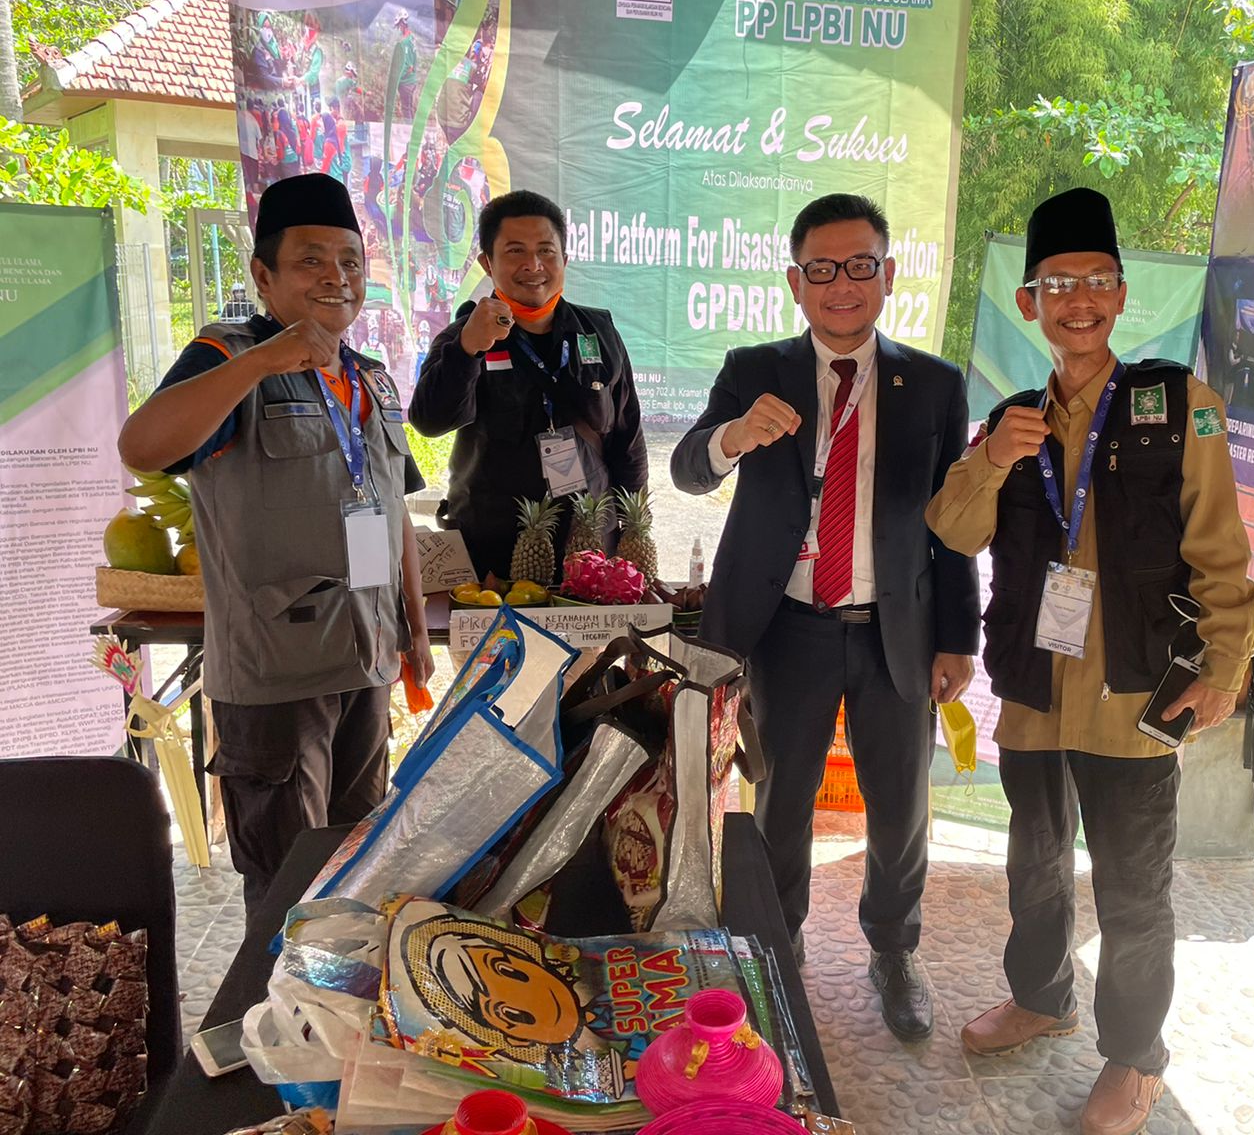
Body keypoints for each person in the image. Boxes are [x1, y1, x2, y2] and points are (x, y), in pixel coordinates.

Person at [926, 187, 1254, 1135]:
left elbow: (1220, 547)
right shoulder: (1010, 419)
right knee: (1033, 865)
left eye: (1097, 282)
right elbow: (951, 529)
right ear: (1029, 302)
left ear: (1120, 295)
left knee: (1133, 887)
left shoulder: (1177, 406)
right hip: (1035, 693)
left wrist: (1224, 665)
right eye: (1058, 284)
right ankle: (1042, 997)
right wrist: (993, 458)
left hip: (1134, 695)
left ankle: (1135, 1056)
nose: (1078, 300)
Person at [671, 193, 980, 1040]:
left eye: (859, 265)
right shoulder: (753, 369)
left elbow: (952, 526)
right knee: (782, 797)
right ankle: (779, 946)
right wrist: (734, 435)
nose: (841, 284)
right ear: (794, 282)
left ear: (889, 274)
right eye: (822, 269)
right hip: (787, 628)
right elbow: (690, 468)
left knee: (900, 804)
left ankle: (894, 950)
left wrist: (960, 637)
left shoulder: (935, 385)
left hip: (896, 630)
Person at [118, 173, 434, 916]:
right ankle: (266, 996)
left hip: (363, 664)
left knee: (353, 873)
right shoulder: (227, 356)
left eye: (350, 262)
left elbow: (392, 511)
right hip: (275, 678)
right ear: (264, 277)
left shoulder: (371, 379)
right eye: (310, 261)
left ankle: (335, 996)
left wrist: (416, 629)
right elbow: (141, 445)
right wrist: (262, 361)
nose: (336, 278)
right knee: (288, 889)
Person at [409, 190, 647, 578]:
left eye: (546, 251)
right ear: (487, 263)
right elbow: (429, 422)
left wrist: (632, 533)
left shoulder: (598, 332)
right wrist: (468, 349)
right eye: (515, 251)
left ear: (564, 259)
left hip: (588, 548)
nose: (533, 265)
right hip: (492, 553)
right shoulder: (463, 336)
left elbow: (628, 440)